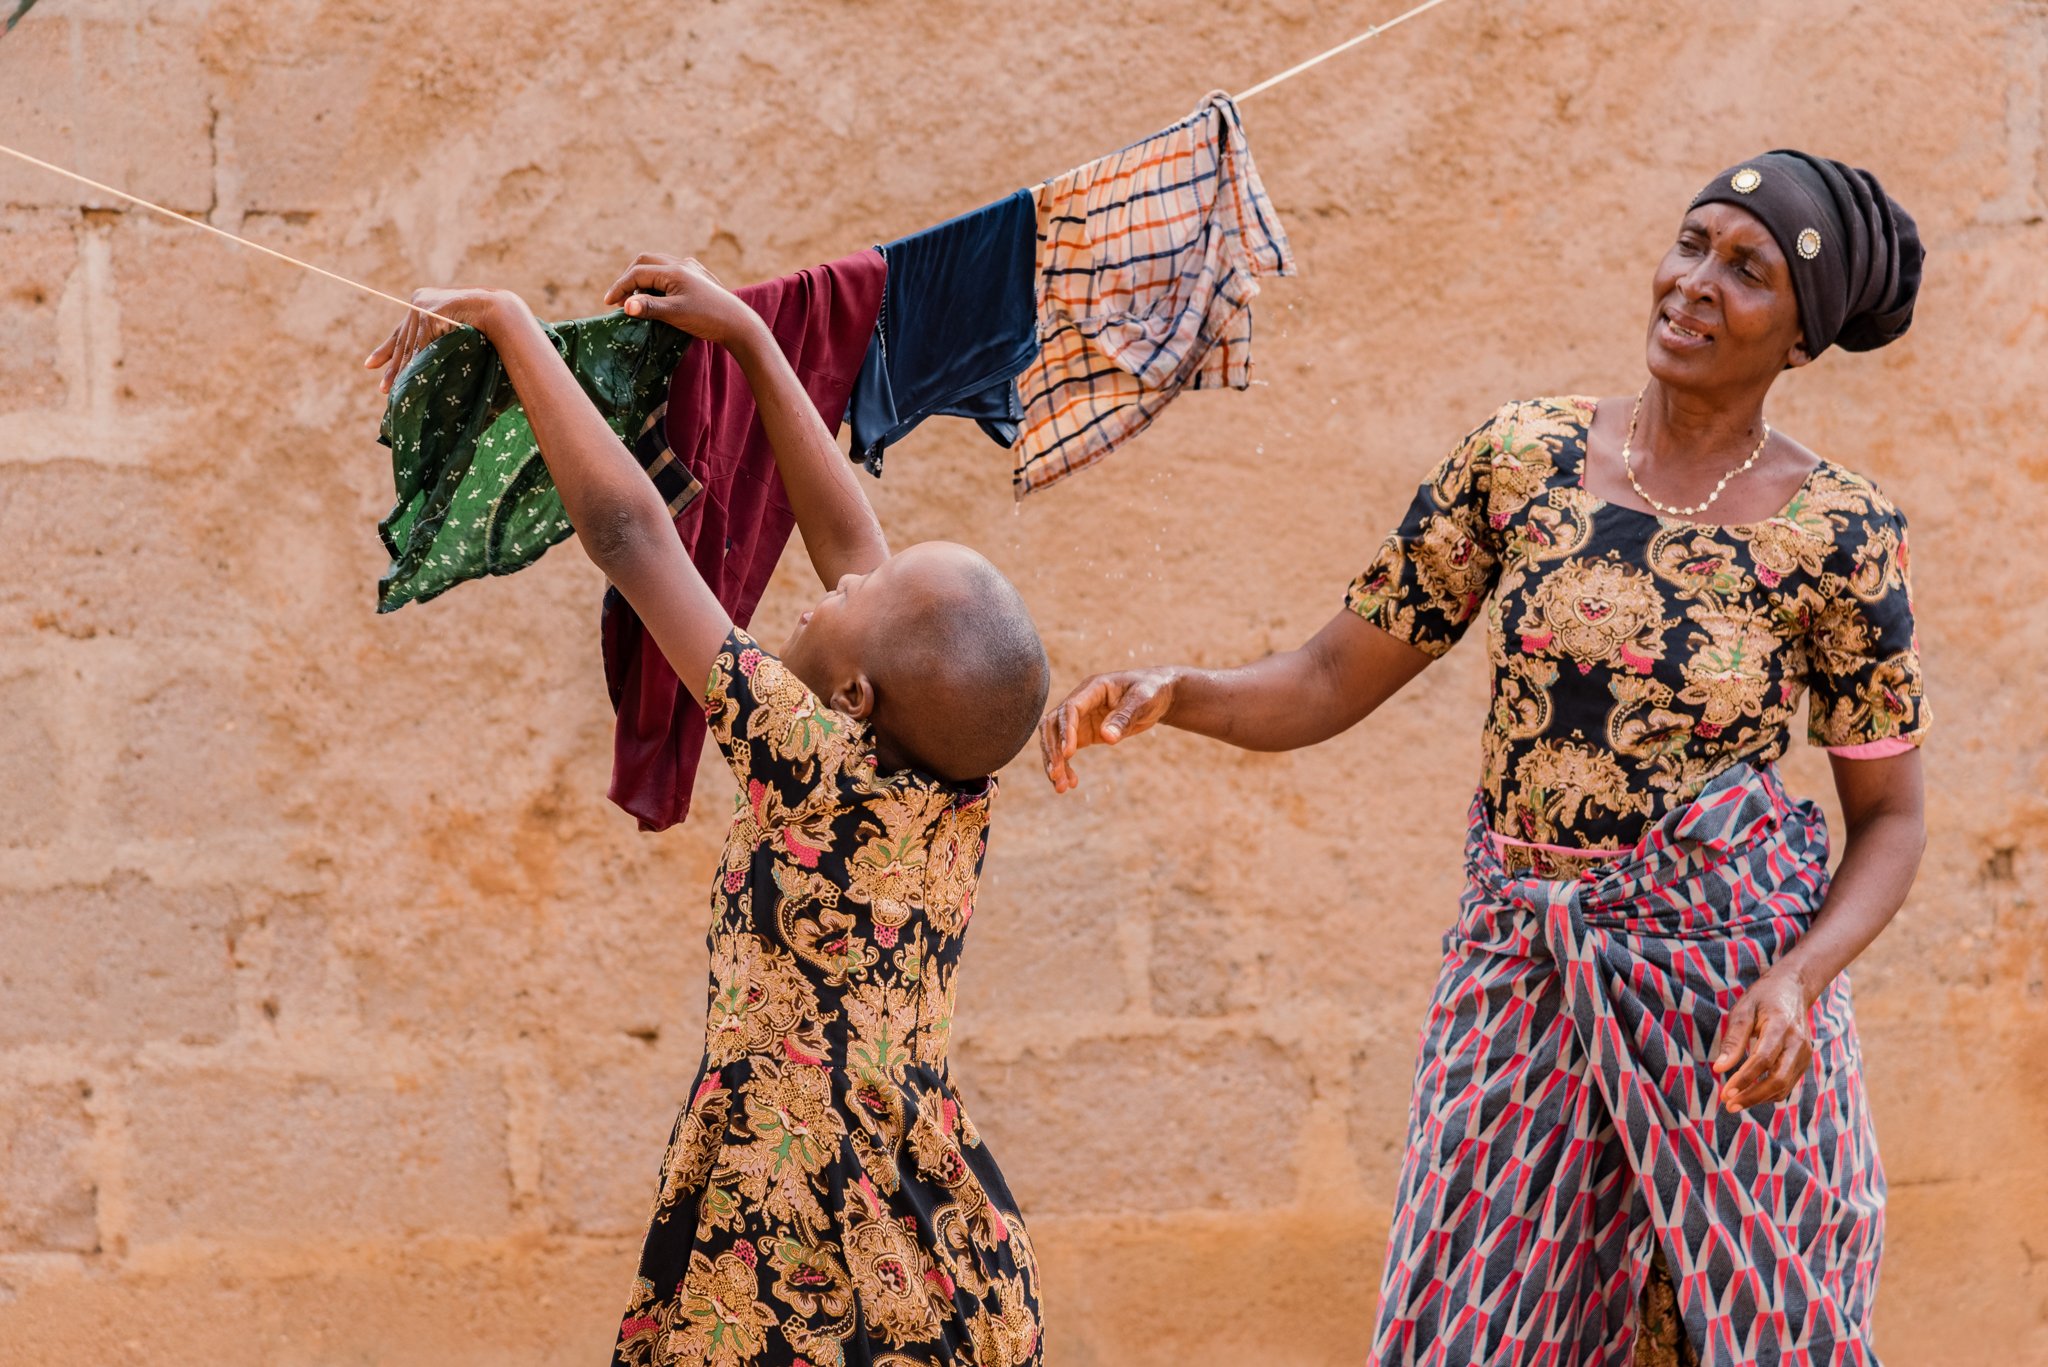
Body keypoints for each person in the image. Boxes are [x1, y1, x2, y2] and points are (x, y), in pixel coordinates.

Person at [1039, 150, 1928, 1366]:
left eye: (1746, 270)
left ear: (1800, 337)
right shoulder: (1521, 459)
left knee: (1756, 1324)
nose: (1693, 284)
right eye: (1689, 243)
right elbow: (1325, 677)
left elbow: (1888, 818)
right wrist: (1178, 693)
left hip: (1730, 999)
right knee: (1473, 1322)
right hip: (1519, 967)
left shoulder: (1838, 531)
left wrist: (1798, 979)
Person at [366, 255, 1049, 1367]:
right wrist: (751, 342)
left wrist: (508, 321)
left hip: (788, 1235)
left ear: (853, 697)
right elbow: (854, 546)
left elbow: (634, 535)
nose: (836, 579)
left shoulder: (809, 759)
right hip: (934, 1234)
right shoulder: (950, 788)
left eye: (852, 600)